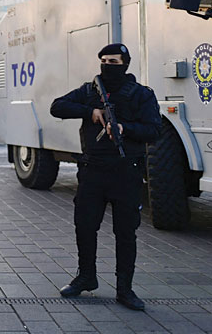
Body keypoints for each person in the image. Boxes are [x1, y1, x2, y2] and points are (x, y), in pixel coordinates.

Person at [50, 43, 160, 311]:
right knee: (85, 227)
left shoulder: (141, 95)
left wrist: (125, 127)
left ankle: (125, 289)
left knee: (125, 232)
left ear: (125, 64)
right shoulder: (89, 91)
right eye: (104, 61)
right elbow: (57, 106)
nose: (108, 66)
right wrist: (90, 111)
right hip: (92, 171)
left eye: (114, 61)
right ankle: (86, 277)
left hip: (125, 172)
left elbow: (154, 130)